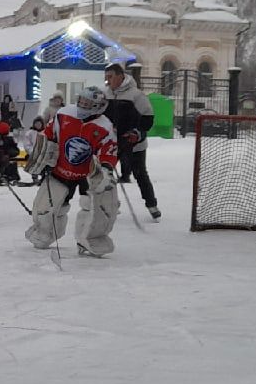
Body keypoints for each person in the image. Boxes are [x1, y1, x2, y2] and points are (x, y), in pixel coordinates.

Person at [23, 85, 121, 257]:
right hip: (61, 170)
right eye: (81, 100)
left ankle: (90, 239)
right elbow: (48, 135)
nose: (82, 105)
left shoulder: (106, 127)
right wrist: (42, 155)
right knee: (46, 206)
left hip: (88, 175)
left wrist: (105, 169)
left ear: (99, 106)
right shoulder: (64, 114)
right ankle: (44, 233)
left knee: (98, 209)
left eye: (87, 103)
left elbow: (108, 152)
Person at [103, 64, 158, 220]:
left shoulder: (136, 95)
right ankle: (111, 204)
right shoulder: (105, 94)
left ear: (121, 76)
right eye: (106, 77)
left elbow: (148, 119)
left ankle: (152, 205)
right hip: (112, 142)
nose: (108, 81)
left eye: (110, 77)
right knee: (104, 173)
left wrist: (137, 133)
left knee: (139, 173)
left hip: (134, 142)